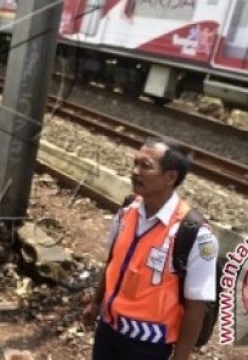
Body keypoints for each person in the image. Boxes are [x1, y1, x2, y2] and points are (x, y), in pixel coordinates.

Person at [82, 137, 217, 360]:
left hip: (148, 345)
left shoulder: (194, 234)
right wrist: (96, 303)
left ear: (170, 177)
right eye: (135, 163)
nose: (135, 172)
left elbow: (196, 306)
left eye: (145, 166)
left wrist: (180, 357)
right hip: (108, 330)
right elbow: (113, 261)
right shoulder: (128, 210)